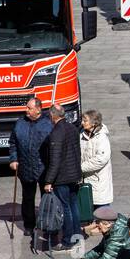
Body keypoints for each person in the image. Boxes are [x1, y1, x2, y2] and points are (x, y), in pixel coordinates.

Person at [8, 96, 53, 237]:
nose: (26, 110)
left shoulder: (48, 124)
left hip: (44, 168)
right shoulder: (20, 123)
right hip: (26, 168)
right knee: (27, 198)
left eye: (29, 108)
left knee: (47, 199)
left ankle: (48, 225)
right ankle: (29, 225)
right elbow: (13, 143)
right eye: (26, 107)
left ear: (38, 109)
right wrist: (13, 159)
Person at [41, 103, 82, 251]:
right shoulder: (72, 128)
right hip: (74, 174)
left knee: (65, 209)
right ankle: (77, 234)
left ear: (52, 116)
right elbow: (77, 152)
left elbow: (55, 160)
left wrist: (48, 181)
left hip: (62, 177)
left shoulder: (56, 133)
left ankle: (67, 240)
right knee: (73, 205)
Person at [80, 109, 114, 213]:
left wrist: (80, 167)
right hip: (85, 181)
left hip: (99, 183)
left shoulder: (102, 138)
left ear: (94, 123)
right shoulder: (81, 134)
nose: (82, 123)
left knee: (102, 215)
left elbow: (101, 159)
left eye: (85, 121)